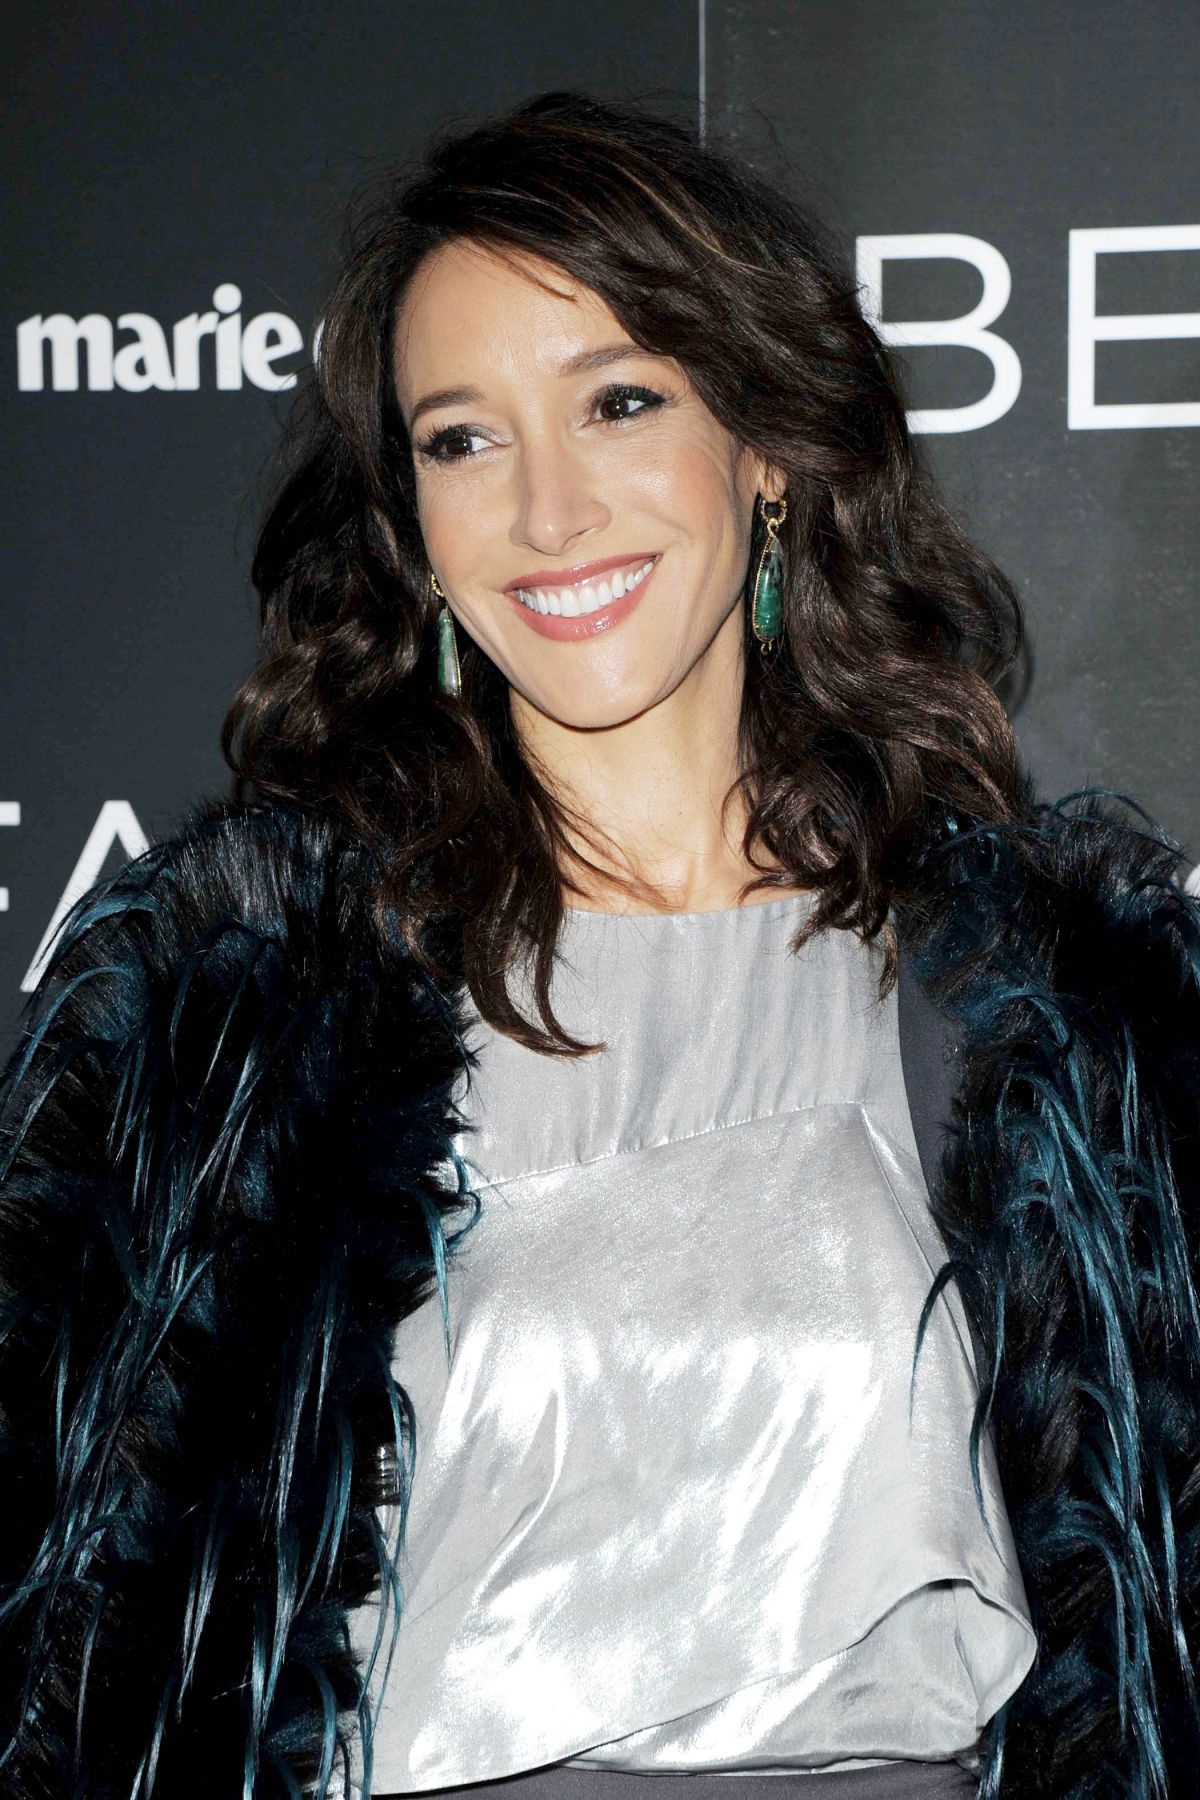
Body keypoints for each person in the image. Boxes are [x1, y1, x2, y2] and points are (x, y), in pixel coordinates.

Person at [1, 90, 1198, 1800]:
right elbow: (81, 1655)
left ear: (767, 453)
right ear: (412, 527)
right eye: (462, 440)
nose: (548, 511)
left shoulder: (1049, 1012)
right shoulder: (240, 1023)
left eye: (619, 402)